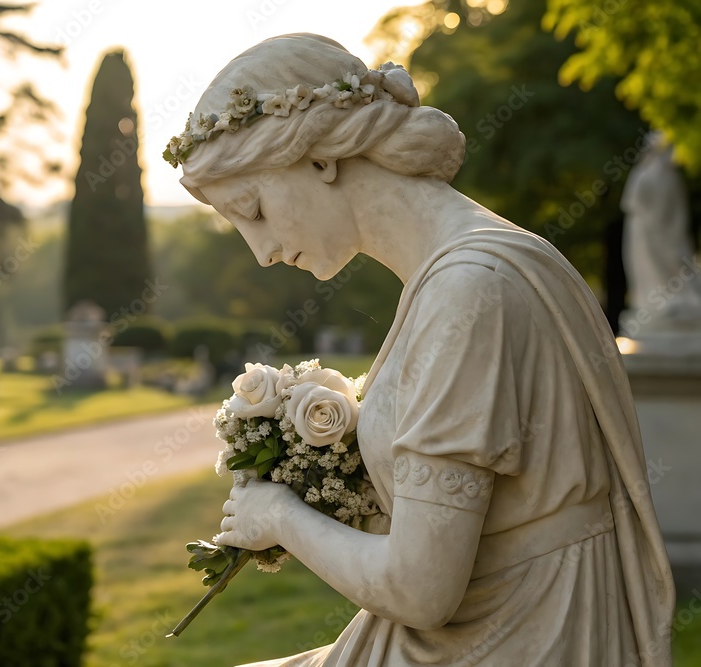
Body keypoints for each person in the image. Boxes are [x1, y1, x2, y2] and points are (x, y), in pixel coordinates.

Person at [167, 34, 674, 666]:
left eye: (254, 209)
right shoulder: (472, 270)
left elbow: (418, 589)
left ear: (322, 158)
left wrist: (280, 516)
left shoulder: (468, 293)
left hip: (515, 638)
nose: (260, 251)